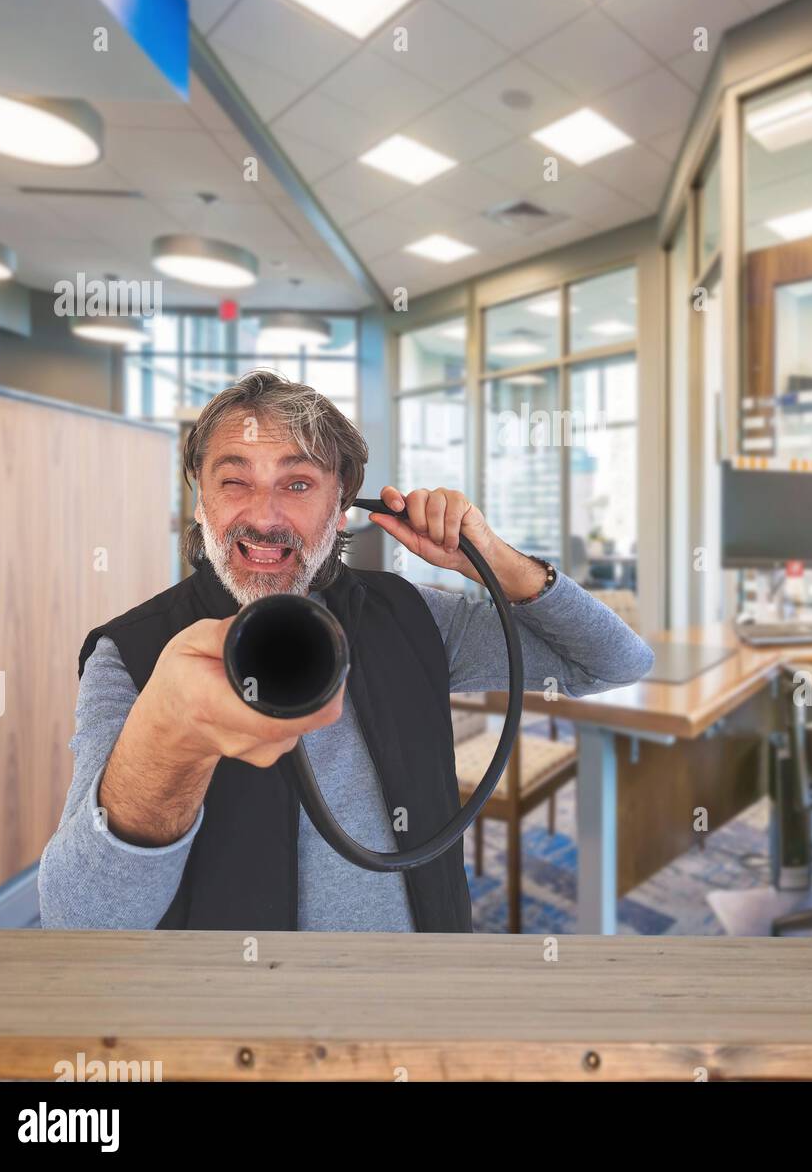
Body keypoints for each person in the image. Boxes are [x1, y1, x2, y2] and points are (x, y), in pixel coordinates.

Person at [38, 370, 654, 932]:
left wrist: (493, 559)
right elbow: (80, 921)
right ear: (201, 501)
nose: (264, 515)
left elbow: (614, 662)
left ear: (342, 503)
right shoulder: (130, 653)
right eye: (234, 482)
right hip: (237, 1029)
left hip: (414, 1004)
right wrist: (166, 743)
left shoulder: (410, 616)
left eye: (298, 483)